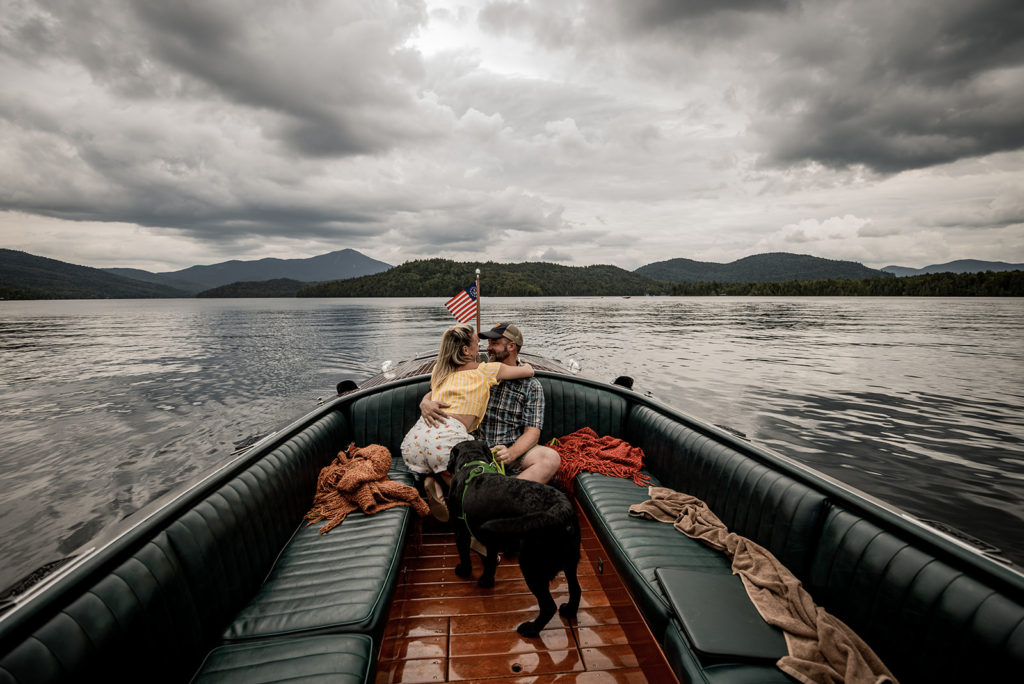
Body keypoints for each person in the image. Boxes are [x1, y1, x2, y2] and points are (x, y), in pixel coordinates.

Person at [401, 324, 534, 518]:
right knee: (481, 486)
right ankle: (476, 527)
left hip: (416, 438)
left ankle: (434, 481)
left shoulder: (440, 370)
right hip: (447, 438)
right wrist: (527, 364)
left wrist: (424, 401)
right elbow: (527, 371)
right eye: (477, 344)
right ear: (465, 350)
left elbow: (436, 392)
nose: (480, 349)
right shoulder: (485, 371)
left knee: (447, 469)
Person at [419, 322, 560, 485]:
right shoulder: (477, 372)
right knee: (437, 449)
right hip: (473, 449)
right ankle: (497, 495)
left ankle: (497, 494)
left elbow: (532, 432)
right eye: (487, 343)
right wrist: (425, 401)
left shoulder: (531, 385)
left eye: (494, 343)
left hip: (510, 448)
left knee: (550, 459)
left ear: (511, 346)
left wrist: (511, 453)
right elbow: (445, 388)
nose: (488, 348)